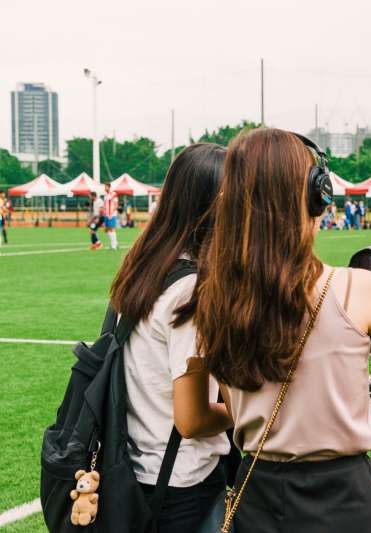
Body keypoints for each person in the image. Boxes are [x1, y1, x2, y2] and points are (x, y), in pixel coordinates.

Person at [192, 128, 371, 532]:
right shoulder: (358, 288)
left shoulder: (212, 296)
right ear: (314, 195)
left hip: (257, 493)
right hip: (344, 497)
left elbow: (240, 399)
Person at [109, 143, 233, 533]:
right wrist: (257, 412)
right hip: (182, 481)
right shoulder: (189, 291)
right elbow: (193, 418)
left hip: (142, 469)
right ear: (219, 206)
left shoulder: (146, 269)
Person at [102, 183, 120, 250]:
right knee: (106, 230)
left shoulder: (113, 194)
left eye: (105, 187)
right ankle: (116, 243)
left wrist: (111, 213)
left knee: (111, 229)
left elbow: (116, 205)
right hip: (106, 214)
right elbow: (105, 205)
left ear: (109, 187)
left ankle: (113, 246)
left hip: (111, 215)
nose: (104, 188)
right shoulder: (105, 195)